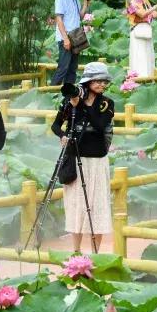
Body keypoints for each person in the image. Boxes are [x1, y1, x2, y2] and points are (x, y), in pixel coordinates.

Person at [52, 62, 115, 254]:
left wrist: (82, 106)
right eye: (98, 81)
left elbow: (98, 125)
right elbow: (55, 125)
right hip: (75, 159)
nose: (102, 85)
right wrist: (62, 136)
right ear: (88, 82)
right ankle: (76, 251)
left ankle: (96, 252)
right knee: (76, 206)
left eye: (104, 81)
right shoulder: (70, 102)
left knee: (98, 207)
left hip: (96, 161)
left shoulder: (106, 103)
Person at [52, 0, 89, 86]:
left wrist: (85, 5)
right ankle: (50, 92)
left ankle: (68, 95)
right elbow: (59, 19)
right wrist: (65, 39)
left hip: (76, 37)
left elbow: (80, 16)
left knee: (72, 69)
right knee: (63, 67)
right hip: (66, 38)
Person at [125, 0, 157, 78]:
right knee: (139, 57)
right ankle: (139, 80)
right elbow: (142, 14)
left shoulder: (145, 0)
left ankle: (149, 79)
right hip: (138, 31)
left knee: (148, 57)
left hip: (147, 31)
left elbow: (155, 15)